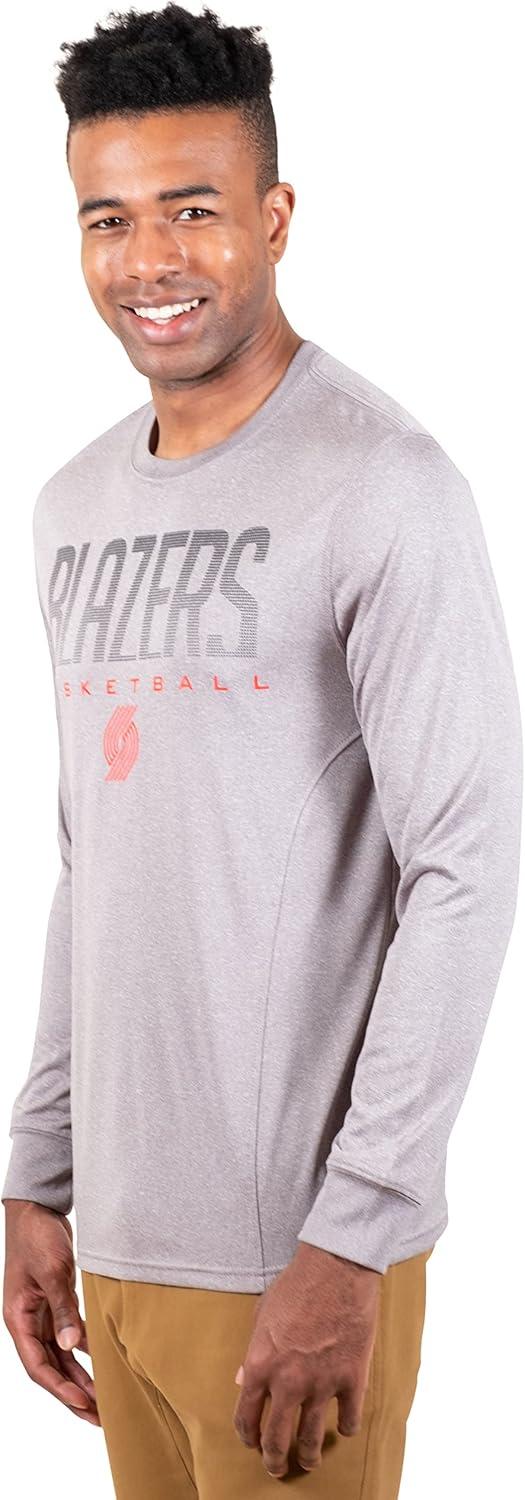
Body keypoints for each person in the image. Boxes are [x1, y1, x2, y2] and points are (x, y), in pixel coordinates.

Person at [2, 5, 522, 1497]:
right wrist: (38, 1171)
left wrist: (353, 1235)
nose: (148, 260)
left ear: (275, 219)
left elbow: (466, 864)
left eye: (192, 210)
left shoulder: (384, 483)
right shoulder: (69, 506)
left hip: (295, 1267)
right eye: (108, 219)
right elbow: (91, 861)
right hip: (116, 1245)